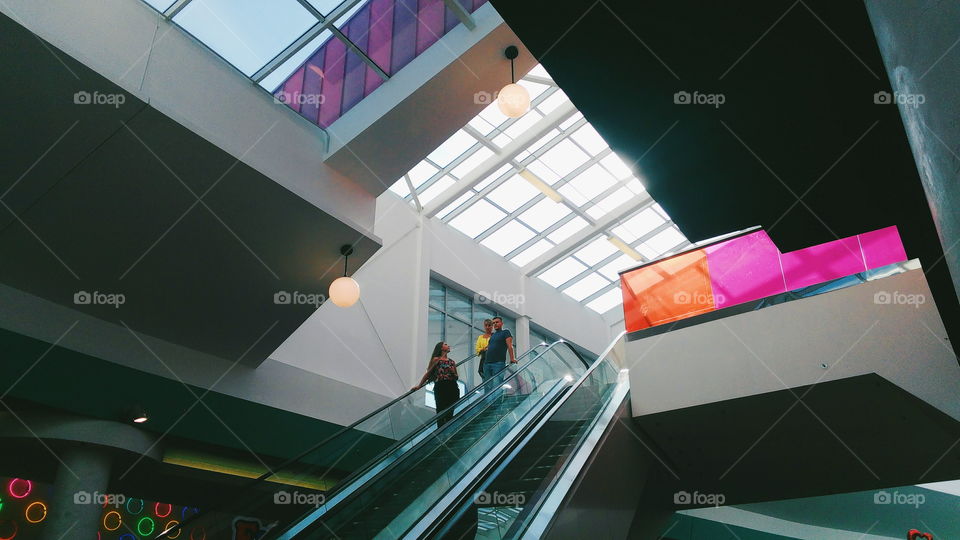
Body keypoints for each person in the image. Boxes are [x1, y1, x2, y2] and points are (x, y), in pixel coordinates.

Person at [413, 342, 460, 427]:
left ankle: (448, 429)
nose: (448, 345)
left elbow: (456, 377)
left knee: (450, 411)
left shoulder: (452, 362)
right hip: (441, 386)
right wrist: (419, 385)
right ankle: (441, 430)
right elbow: (428, 374)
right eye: (446, 344)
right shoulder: (436, 359)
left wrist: (453, 373)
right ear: (441, 348)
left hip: (452, 386)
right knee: (440, 410)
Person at [483, 317, 516, 387]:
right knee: (487, 386)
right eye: (493, 323)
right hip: (487, 363)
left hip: (498, 363)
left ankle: (496, 398)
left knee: (497, 385)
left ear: (501, 323)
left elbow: (510, 346)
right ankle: (488, 398)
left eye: (497, 322)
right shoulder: (492, 335)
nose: (495, 324)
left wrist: (512, 358)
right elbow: (489, 347)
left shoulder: (506, 332)